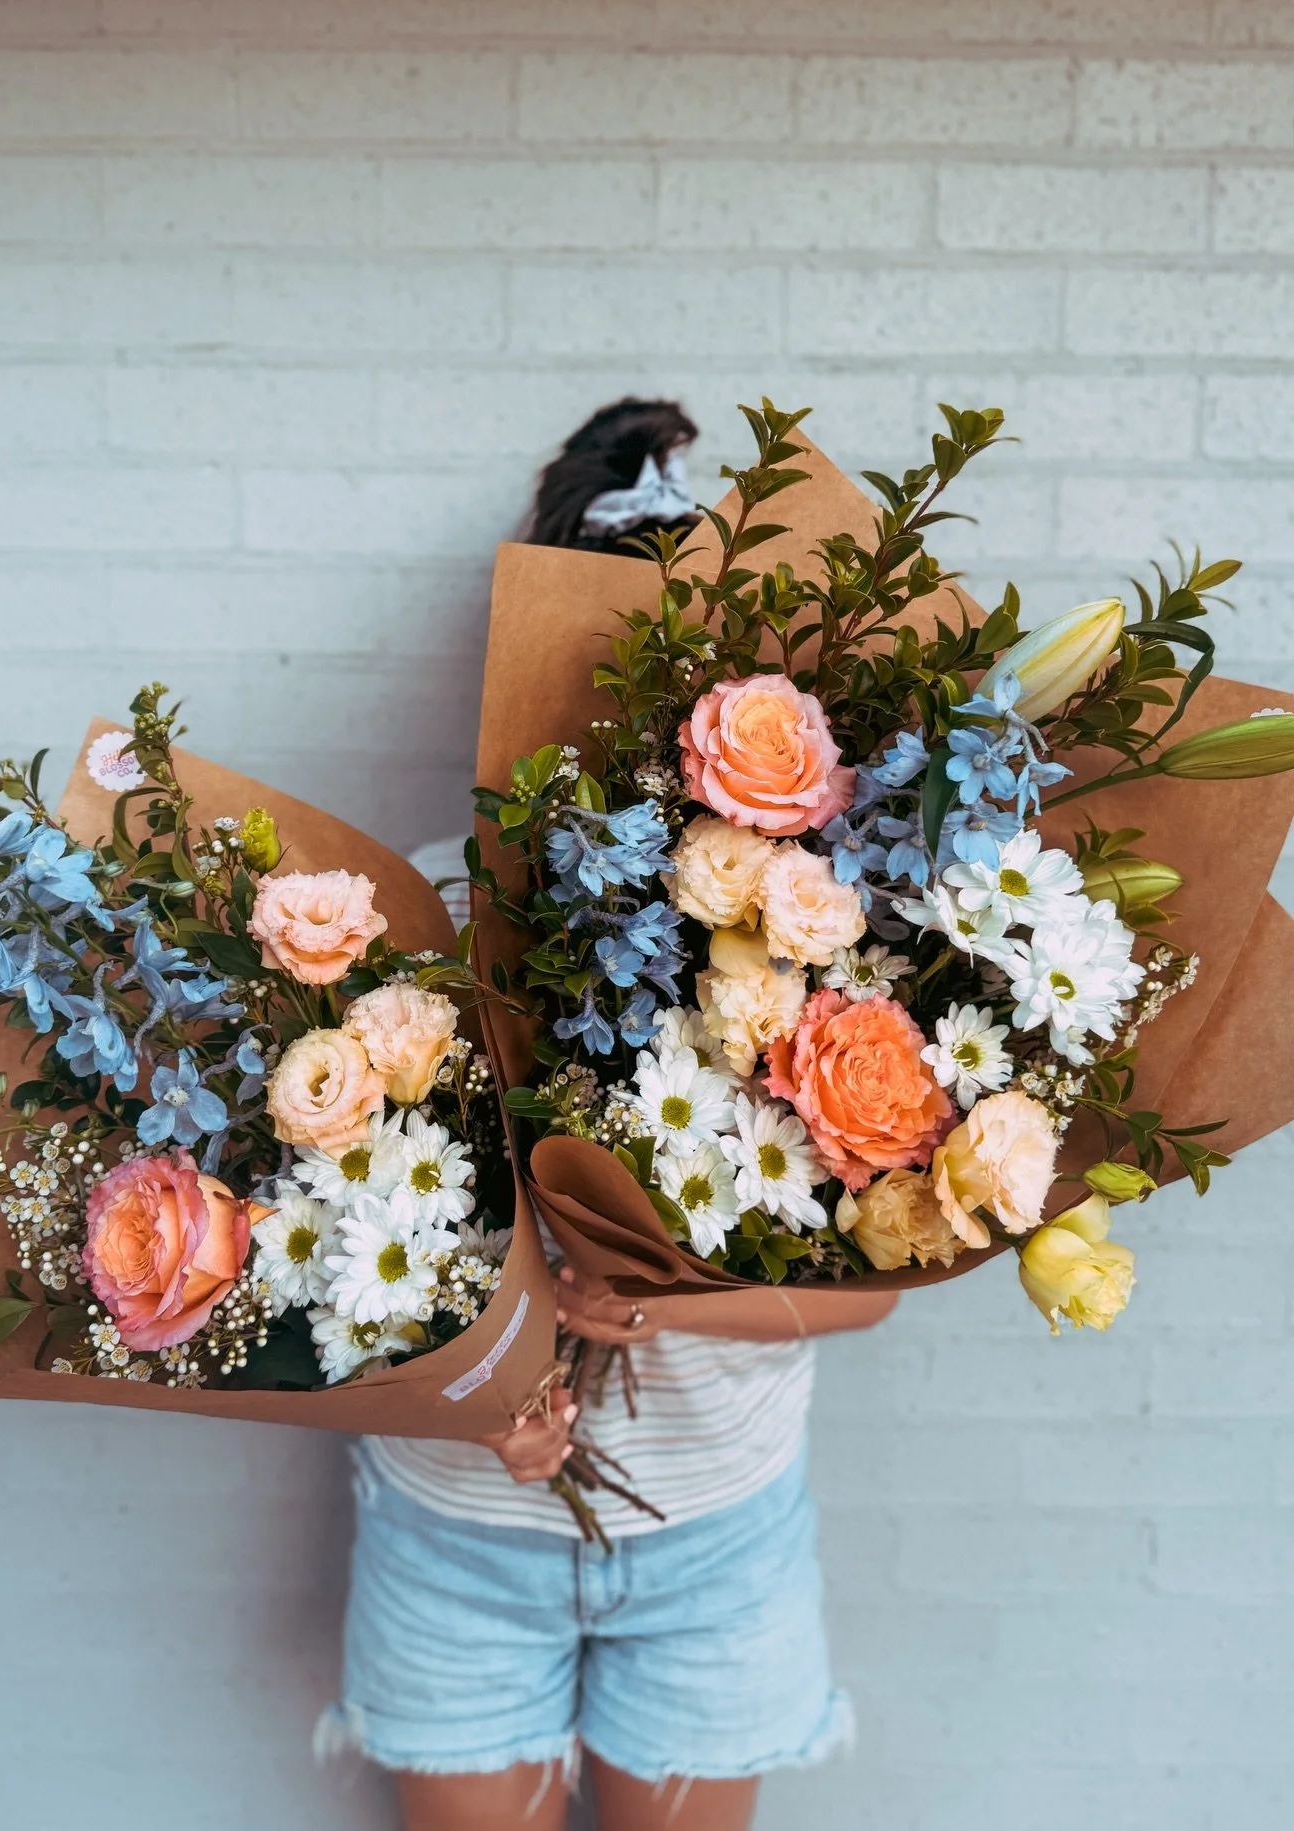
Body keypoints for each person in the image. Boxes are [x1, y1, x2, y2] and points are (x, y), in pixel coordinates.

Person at [319, 400, 899, 1831]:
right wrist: (474, 1399)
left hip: (718, 1534)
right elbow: (324, 1269)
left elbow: (878, 1287)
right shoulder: (414, 916)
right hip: (458, 1532)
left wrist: (671, 1299)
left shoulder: (797, 929)